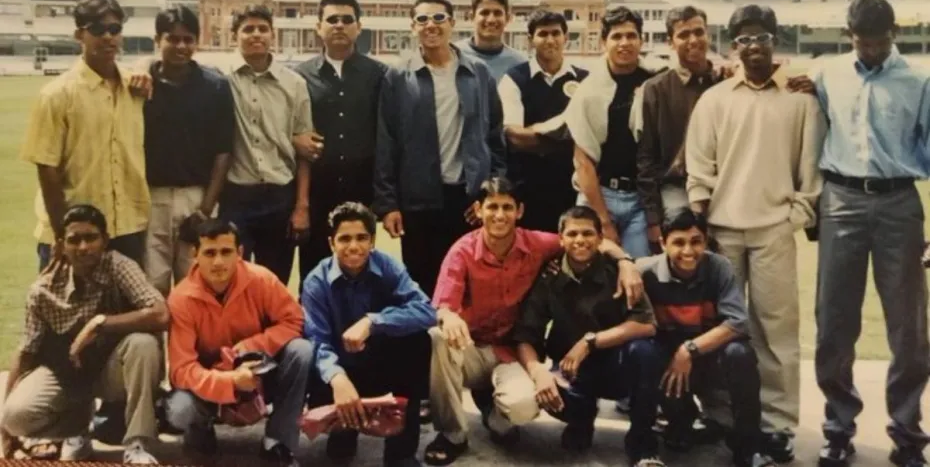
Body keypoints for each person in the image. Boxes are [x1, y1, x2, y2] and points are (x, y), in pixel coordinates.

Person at [685, 4, 826, 462]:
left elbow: (810, 172)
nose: (754, 46)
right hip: (723, 231)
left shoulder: (801, 101)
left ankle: (777, 424)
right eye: (745, 38)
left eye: (762, 37)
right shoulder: (715, 100)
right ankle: (721, 413)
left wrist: (793, 219)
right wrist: (703, 220)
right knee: (718, 327)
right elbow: (699, 168)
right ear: (734, 47)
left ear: (774, 41)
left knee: (775, 329)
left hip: (773, 231)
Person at [423, 177, 644, 465]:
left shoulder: (537, 244)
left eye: (507, 207)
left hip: (512, 351)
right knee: (438, 337)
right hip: (472, 349)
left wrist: (625, 262)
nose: (499, 215)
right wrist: (449, 315)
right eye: (492, 207)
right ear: (478, 210)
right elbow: (443, 305)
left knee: (523, 408)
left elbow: (585, 241)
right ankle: (451, 434)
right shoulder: (462, 251)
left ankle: (493, 411)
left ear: (520, 211)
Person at [811, 0, 930, 467]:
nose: (872, 52)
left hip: (899, 201)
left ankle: (907, 433)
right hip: (841, 200)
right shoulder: (827, 75)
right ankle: (838, 429)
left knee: (908, 325)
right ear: (849, 36)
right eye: (863, 43)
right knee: (834, 320)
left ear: (894, 34)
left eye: (880, 43)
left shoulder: (919, 81)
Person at [0, 204, 169, 464]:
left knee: (143, 345)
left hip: (112, 369)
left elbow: (160, 314)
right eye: (74, 239)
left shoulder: (118, 266)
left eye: (91, 238)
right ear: (60, 244)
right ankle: (74, 432)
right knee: (14, 417)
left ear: (105, 240)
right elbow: (26, 352)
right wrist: (4, 426)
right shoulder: (43, 289)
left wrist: (100, 323)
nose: (83, 247)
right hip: (67, 374)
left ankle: (137, 443)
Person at [374, 0, 507, 299]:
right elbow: (386, 141)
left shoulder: (478, 73)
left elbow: (494, 136)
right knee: (423, 287)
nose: (430, 25)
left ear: (452, 23)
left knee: (470, 286)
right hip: (419, 200)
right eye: (422, 19)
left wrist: (490, 192)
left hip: (469, 199)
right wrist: (388, 204)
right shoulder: (398, 76)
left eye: (438, 18)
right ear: (412, 26)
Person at [512, 205, 664, 466]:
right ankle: (581, 421)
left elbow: (647, 324)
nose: (580, 240)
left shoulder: (618, 272)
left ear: (600, 238)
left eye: (587, 233)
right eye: (572, 234)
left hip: (616, 365)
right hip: (572, 370)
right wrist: (538, 373)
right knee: (545, 392)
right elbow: (526, 334)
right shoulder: (550, 276)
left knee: (645, 353)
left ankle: (643, 442)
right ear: (561, 240)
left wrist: (590, 341)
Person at [164, 219, 312, 467]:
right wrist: (230, 380)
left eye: (226, 252)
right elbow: (180, 370)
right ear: (194, 254)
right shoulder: (181, 298)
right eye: (209, 253)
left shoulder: (262, 279)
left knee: (302, 351)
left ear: (240, 253)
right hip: (210, 382)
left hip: (260, 374)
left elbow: (294, 320)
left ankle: (278, 440)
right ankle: (201, 432)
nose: (218, 262)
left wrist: (251, 346)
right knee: (179, 409)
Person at [21, 0, 150, 269]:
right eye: (98, 29)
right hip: (76, 234)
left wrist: (144, 67)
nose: (108, 37)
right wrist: (62, 234)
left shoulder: (136, 87)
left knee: (128, 300)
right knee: (66, 299)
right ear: (79, 34)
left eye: (114, 29)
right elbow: (47, 169)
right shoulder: (56, 95)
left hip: (127, 230)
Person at [303, 202, 436, 467]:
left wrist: (373, 321)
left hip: (382, 364)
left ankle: (400, 453)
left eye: (362, 238)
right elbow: (317, 340)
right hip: (338, 372)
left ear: (372, 241)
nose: (354, 246)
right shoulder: (316, 281)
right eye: (344, 239)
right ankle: (344, 429)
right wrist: (338, 379)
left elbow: (426, 310)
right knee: (306, 354)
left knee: (418, 340)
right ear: (331, 243)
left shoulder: (388, 267)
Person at [639, 209, 776, 467]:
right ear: (663, 243)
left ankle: (748, 447)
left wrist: (689, 349)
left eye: (696, 241)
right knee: (646, 353)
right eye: (678, 242)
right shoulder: (645, 272)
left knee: (740, 352)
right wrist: (623, 264)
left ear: (705, 241)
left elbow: (738, 321)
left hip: (707, 356)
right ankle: (680, 421)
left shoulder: (719, 267)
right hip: (670, 364)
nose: (688, 251)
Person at [293, 0, 389, 283]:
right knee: (315, 275)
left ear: (359, 27)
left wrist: (384, 198)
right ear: (318, 27)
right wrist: (294, 140)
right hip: (317, 193)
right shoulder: (299, 77)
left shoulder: (380, 75)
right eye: (332, 19)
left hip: (363, 193)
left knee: (361, 271)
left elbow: (388, 136)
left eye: (347, 20)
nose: (339, 25)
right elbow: (286, 128)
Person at [218, 4, 315, 285]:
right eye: (248, 29)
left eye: (263, 29)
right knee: (231, 282)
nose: (256, 34)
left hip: (279, 197)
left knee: (274, 283)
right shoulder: (221, 80)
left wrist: (301, 206)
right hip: (236, 197)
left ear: (273, 34)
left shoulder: (294, 84)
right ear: (234, 36)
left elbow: (306, 150)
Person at [142, 6, 235, 294]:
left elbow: (223, 152)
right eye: (173, 38)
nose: (181, 46)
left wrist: (205, 210)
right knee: (152, 287)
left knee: (196, 287)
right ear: (158, 40)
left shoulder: (215, 86)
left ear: (197, 41)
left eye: (188, 39)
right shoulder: (143, 84)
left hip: (195, 197)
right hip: (151, 197)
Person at [565, 6, 655, 258]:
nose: (624, 43)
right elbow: (583, 162)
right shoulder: (588, 91)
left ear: (641, 40)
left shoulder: (654, 82)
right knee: (591, 266)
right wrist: (603, 220)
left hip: (639, 197)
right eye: (617, 36)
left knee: (638, 269)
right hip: (598, 192)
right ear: (604, 42)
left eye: (631, 36)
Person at [634, 5, 719, 254]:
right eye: (683, 35)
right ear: (671, 42)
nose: (693, 40)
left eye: (699, 32)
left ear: (708, 35)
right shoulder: (655, 89)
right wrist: (653, 218)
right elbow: (646, 156)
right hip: (676, 187)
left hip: (722, 185)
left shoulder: (724, 82)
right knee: (685, 257)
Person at [498, 9, 589, 232]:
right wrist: (567, 141)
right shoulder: (514, 79)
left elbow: (592, 135)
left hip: (572, 187)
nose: (550, 40)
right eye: (543, 34)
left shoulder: (585, 80)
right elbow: (515, 137)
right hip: (527, 187)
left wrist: (537, 137)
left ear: (566, 37)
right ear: (531, 40)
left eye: (556, 33)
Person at [454, 0, 527, 81]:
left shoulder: (520, 64)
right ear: (472, 17)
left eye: (497, 13)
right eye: (485, 13)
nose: (491, 20)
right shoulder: (454, 56)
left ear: (507, 18)